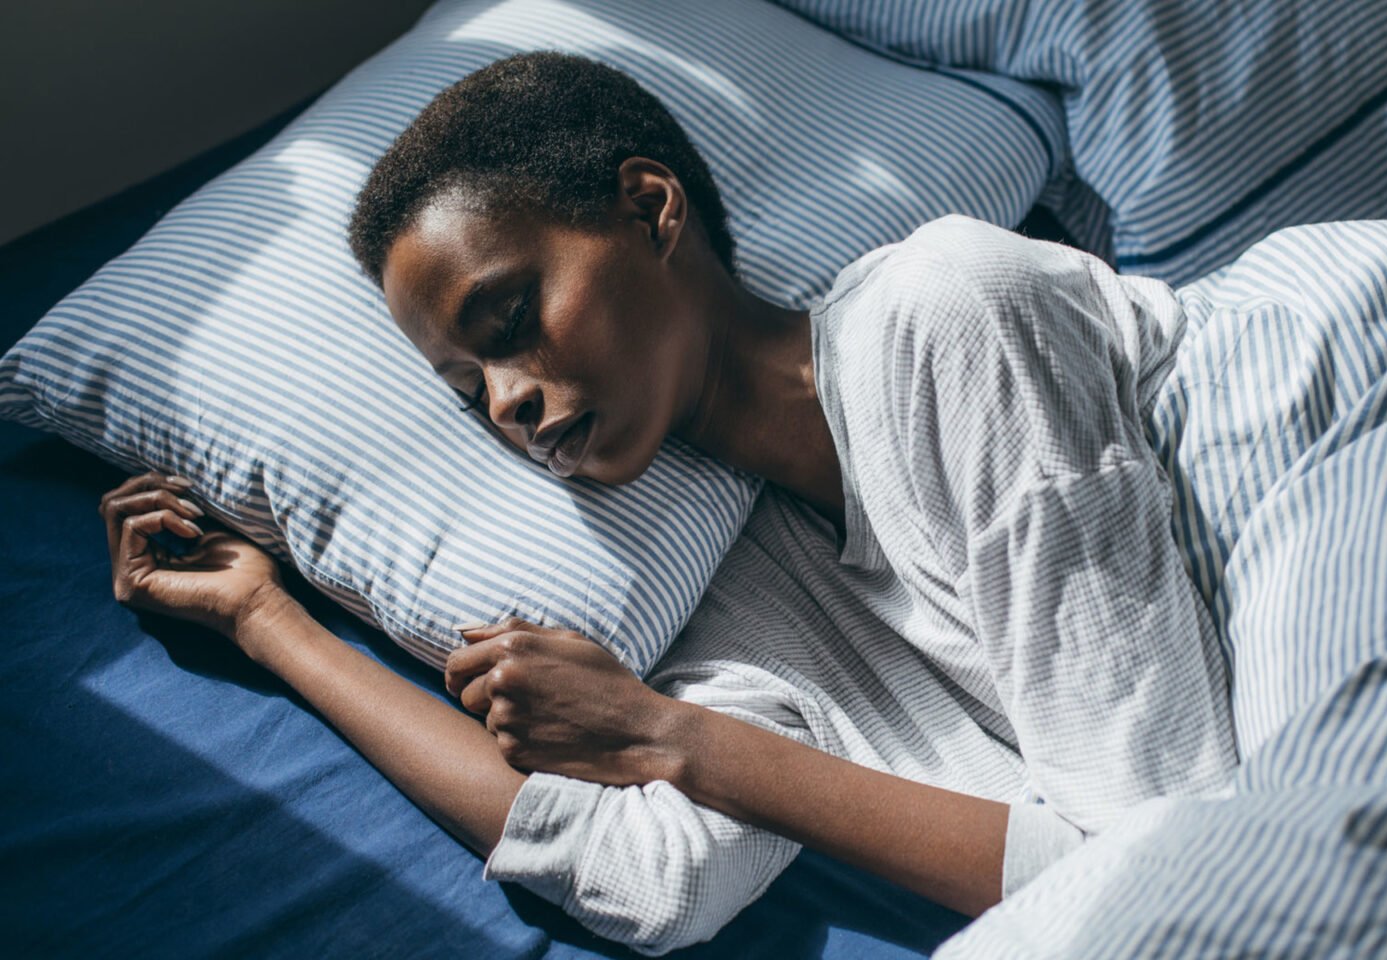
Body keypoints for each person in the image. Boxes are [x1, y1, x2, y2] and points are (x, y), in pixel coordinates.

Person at [98, 51, 1235, 946]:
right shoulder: (732, 600)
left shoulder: (945, 310)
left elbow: (1176, 853)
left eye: (510, 321)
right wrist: (266, 621)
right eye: (468, 391)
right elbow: (642, 879)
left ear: (649, 210)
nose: (506, 401)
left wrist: (666, 737)